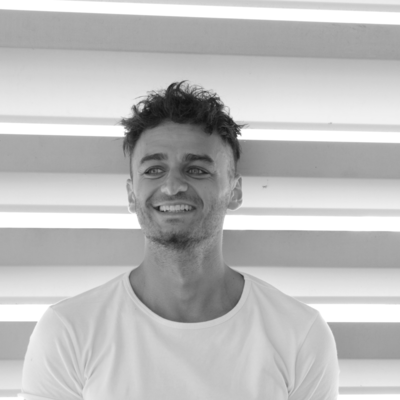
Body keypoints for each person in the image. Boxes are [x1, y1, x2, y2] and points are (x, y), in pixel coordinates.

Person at [18, 81, 339, 400]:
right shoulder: (68, 331)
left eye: (197, 170)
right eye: (153, 170)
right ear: (131, 194)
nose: (172, 186)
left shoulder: (299, 334)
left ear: (235, 191)